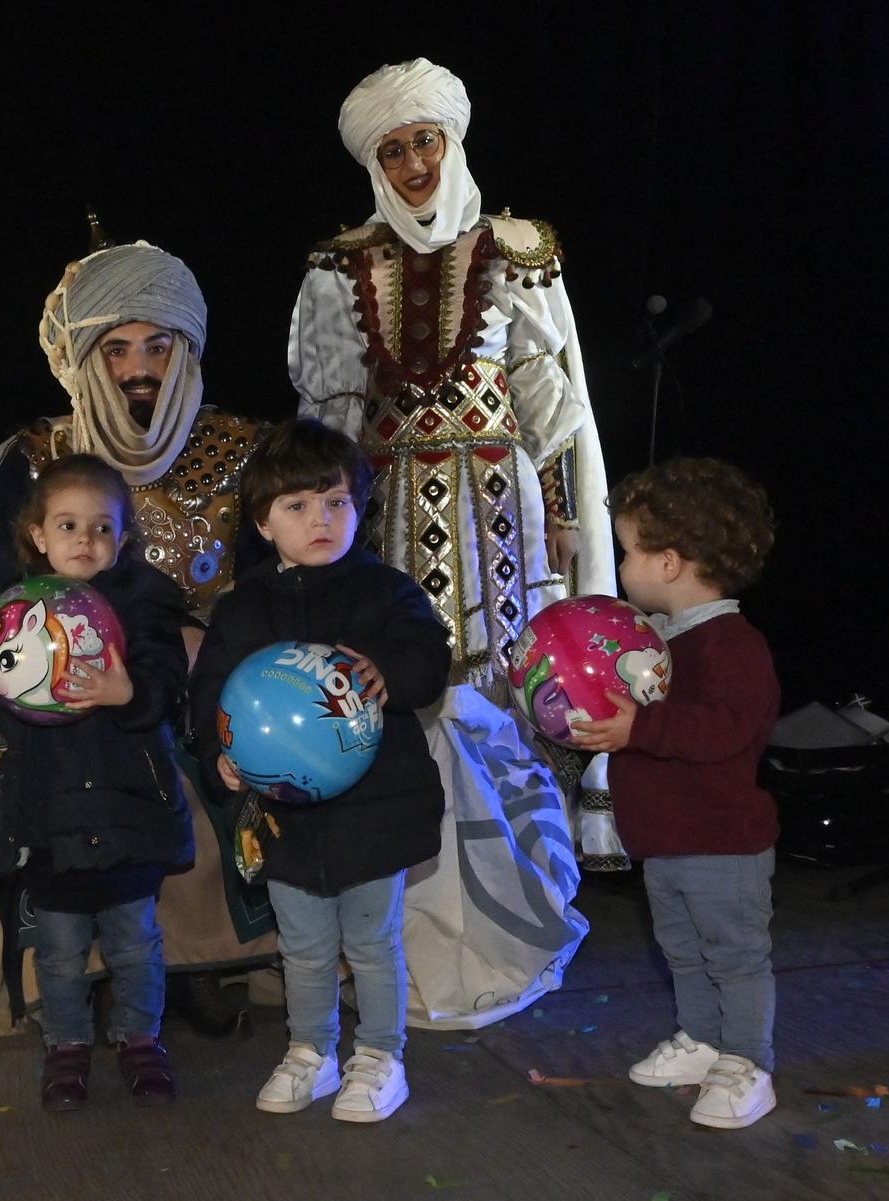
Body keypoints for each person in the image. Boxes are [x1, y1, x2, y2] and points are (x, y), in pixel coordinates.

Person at [288, 56, 616, 1032]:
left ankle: (514, 928)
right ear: (373, 162)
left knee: (498, 712)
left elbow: (552, 407)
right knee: (402, 711)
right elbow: (327, 416)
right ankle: (408, 939)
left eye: (423, 140)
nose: (412, 160)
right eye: (393, 148)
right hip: (386, 515)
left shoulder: (516, 250)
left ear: (451, 142)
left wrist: (561, 520)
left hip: (499, 513)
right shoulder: (338, 266)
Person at [0, 242, 270, 1037]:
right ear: (83, 357)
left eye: (159, 345)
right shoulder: (34, 456)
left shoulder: (246, 447)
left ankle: (202, 958)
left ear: (188, 349)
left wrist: (216, 641)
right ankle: (83, 972)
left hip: (207, 685)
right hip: (59, 696)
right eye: (117, 348)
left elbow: (283, 580)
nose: (140, 368)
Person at [191, 420, 450, 1123]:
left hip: (375, 809)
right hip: (287, 816)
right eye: (298, 507)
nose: (321, 519)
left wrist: (389, 674)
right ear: (263, 522)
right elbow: (208, 694)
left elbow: (430, 661)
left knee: (371, 942)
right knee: (303, 946)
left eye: (337, 502)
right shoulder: (244, 609)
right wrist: (222, 758)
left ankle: (380, 1056)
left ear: (360, 508)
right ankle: (311, 1051)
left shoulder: (386, 593)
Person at [0, 455, 194, 1108]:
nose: (86, 539)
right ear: (38, 536)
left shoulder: (143, 609)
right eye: (69, 524)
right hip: (48, 816)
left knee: (135, 943)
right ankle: (67, 1044)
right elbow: (1, 683)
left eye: (102, 528)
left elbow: (168, 687)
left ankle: (141, 1038)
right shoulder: (17, 613)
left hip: (128, 812)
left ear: (124, 539)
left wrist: (129, 689)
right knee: (57, 951)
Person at [572, 458, 781, 1129]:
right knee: (683, 952)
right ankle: (702, 1039)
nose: (623, 564)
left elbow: (726, 727)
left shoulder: (732, 644)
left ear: (668, 563)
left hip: (722, 843)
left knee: (735, 957)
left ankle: (748, 1061)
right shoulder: (656, 639)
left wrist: (642, 724)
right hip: (663, 841)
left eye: (629, 550)